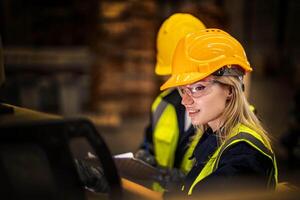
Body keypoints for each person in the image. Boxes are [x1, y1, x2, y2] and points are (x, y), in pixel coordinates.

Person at [159, 28, 278, 196]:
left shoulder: (243, 156)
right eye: (183, 90)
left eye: (198, 88)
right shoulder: (214, 136)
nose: (185, 101)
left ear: (230, 89)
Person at [134, 13, 206, 191]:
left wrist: (187, 181)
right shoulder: (163, 104)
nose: (179, 85)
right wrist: (144, 156)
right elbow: (150, 142)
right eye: (173, 75)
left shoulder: (228, 116)